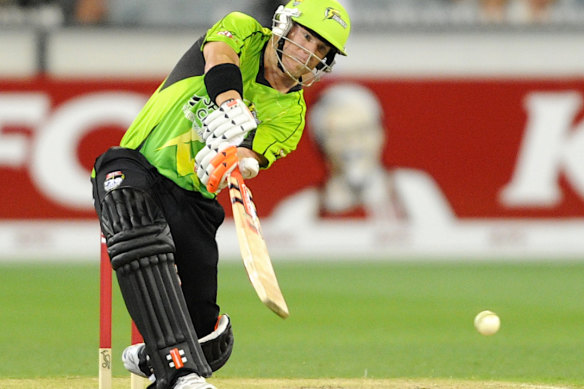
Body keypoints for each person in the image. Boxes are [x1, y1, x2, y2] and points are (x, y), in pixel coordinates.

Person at [90, 1, 350, 388]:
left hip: (194, 198)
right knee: (132, 215)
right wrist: (230, 102)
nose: (309, 52)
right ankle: (180, 372)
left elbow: (249, 155)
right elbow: (219, 56)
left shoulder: (291, 116)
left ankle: (155, 357)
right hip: (136, 166)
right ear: (285, 27)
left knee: (207, 339)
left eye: (322, 49)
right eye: (307, 37)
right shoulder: (243, 31)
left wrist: (235, 160)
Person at [270, 82, 454, 228]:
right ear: (320, 143)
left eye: (363, 130)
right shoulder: (297, 212)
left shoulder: (414, 191)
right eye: (340, 134)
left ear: (381, 134)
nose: (353, 143)